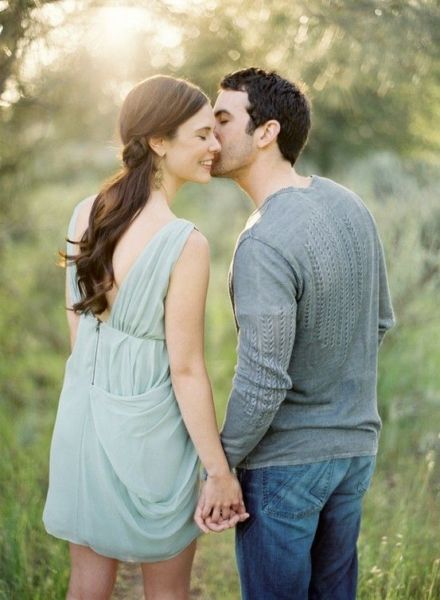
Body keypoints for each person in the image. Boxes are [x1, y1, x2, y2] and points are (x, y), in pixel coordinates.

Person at [43, 75, 248, 600]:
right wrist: (218, 472)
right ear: (158, 141)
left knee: (86, 586)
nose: (215, 145)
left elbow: (79, 327)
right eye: (201, 134)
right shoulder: (185, 242)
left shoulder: (86, 212)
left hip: (84, 416)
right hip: (154, 429)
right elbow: (186, 369)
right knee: (167, 593)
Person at [198, 67, 396, 599]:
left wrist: (221, 465)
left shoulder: (263, 241)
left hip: (285, 467)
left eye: (222, 120)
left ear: (267, 132)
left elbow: (263, 379)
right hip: (354, 452)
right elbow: (380, 321)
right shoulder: (350, 205)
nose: (210, 134)